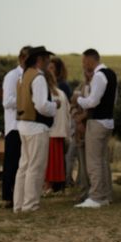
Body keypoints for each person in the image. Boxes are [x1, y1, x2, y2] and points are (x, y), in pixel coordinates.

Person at [13, 46, 59, 213]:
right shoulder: (38, 78)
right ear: (40, 59)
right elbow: (41, 105)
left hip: (23, 125)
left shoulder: (24, 76)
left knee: (24, 167)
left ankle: (18, 204)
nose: (48, 61)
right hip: (36, 126)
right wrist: (55, 105)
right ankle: (30, 205)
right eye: (47, 58)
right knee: (36, 167)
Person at [75, 49, 117, 208]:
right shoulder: (111, 74)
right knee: (102, 160)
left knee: (93, 161)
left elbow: (92, 102)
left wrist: (79, 99)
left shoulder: (99, 76)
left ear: (90, 60)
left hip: (97, 121)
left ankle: (96, 197)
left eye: (84, 61)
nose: (83, 65)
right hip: (108, 121)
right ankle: (105, 195)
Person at [1, 46, 30, 209]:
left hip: (26, 125)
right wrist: (26, 100)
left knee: (23, 163)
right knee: (12, 163)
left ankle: (22, 195)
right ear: (21, 58)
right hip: (14, 126)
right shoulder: (12, 76)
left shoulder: (31, 76)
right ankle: (9, 196)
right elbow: (7, 102)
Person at [44, 64, 71, 194]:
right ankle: (59, 187)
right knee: (58, 161)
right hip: (60, 131)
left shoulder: (47, 94)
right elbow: (68, 113)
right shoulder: (61, 93)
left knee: (49, 162)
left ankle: (48, 186)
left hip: (49, 131)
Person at [70, 68, 92, 201]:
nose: (87, 74)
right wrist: (77, 119)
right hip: (80, 129)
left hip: (91, 126)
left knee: (92, 162)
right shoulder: (80, 87)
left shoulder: (97, 86)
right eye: (86, 72)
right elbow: (72, 105)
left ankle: (94, 191)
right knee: (82, 162)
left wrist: (83, 117)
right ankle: (84, 190)